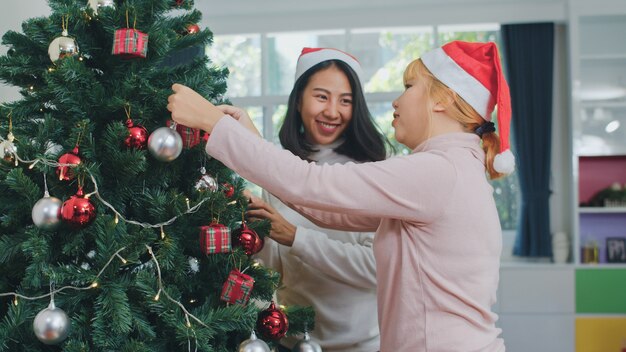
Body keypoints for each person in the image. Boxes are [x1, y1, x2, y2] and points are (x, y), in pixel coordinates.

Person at [167, 40, 514, 351]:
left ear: (444, 100)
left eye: (409, 87)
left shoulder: (437, 171)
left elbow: (311, 185)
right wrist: (250, 142)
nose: (396, 99)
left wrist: (214, 122)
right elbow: (326, 206)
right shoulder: (449, 169)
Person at [221, 47, 386, 351]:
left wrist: (296, 237)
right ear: (298, 101)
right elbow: (276, 273)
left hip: (365, 344)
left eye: (345, 101)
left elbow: (378, 268)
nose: (332, 111)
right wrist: (259, 227)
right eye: (321, 97)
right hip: (294, 341)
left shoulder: (376, 173)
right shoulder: (281, 170)